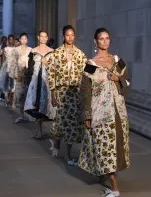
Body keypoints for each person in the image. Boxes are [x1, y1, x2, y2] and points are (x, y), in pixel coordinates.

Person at [78, 28, 130, 197]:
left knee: (115, 147)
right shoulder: (91, 64)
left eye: (107, 38)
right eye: (101, 38)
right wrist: (87, 114)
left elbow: (128, 82)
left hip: (118, 111)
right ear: (96, 41)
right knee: (102, 145)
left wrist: (119, 79)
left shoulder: (117, 61)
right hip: (99, 112)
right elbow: (85, 90)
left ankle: (109, 177)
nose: (105, 41)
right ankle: (114, 185)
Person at [47, 25, 87, 165]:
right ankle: (57, 144)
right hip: (61, 91)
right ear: (63, 36)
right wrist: (52, 93)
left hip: (75, 92)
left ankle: (68, 155)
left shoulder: (80, 54)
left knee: (71, 123)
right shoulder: (56, 54)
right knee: (60, 120)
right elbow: (51, 74)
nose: (70, 37)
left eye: (72, 35)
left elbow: (86, 73)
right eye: (67, 35)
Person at [24, 30, 55, 139]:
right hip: (36, 80)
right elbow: (29, 68)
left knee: (48, 104)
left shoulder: (52, 51)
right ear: (38, 38)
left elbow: (56, 67)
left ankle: (51, 130)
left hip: (47, 80)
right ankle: (40, 130)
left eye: (45, 36)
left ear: (47, 38)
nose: (43, 38)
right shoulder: (33, 51)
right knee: (36, 105)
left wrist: (48, 63)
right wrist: (28, 81)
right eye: (41, 36)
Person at [9, 33, 32, 122]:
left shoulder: (30, 50)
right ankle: (21, 114)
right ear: (20, 40)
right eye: (22, 39)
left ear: (27, 40)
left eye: (25, 39)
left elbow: (32, 63)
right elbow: (13, 63)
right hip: (19, 75)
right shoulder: (16, 50)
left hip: (28, 75)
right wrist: (14, 74)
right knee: (20, 95)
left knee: (28, 95)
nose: (23, 40)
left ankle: (28, 115)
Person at [0, 34, 15, 107]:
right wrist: (1, 67)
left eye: (12, 39)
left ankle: (11, 99)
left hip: (13, 66)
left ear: (13, 40)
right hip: (6, 66)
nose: (11, 41)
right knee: (5, 82)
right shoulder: (5, 49)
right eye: (9, 39)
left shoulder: (16, 49)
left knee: (13, 83)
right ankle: (7, 98)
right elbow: (3, 59)